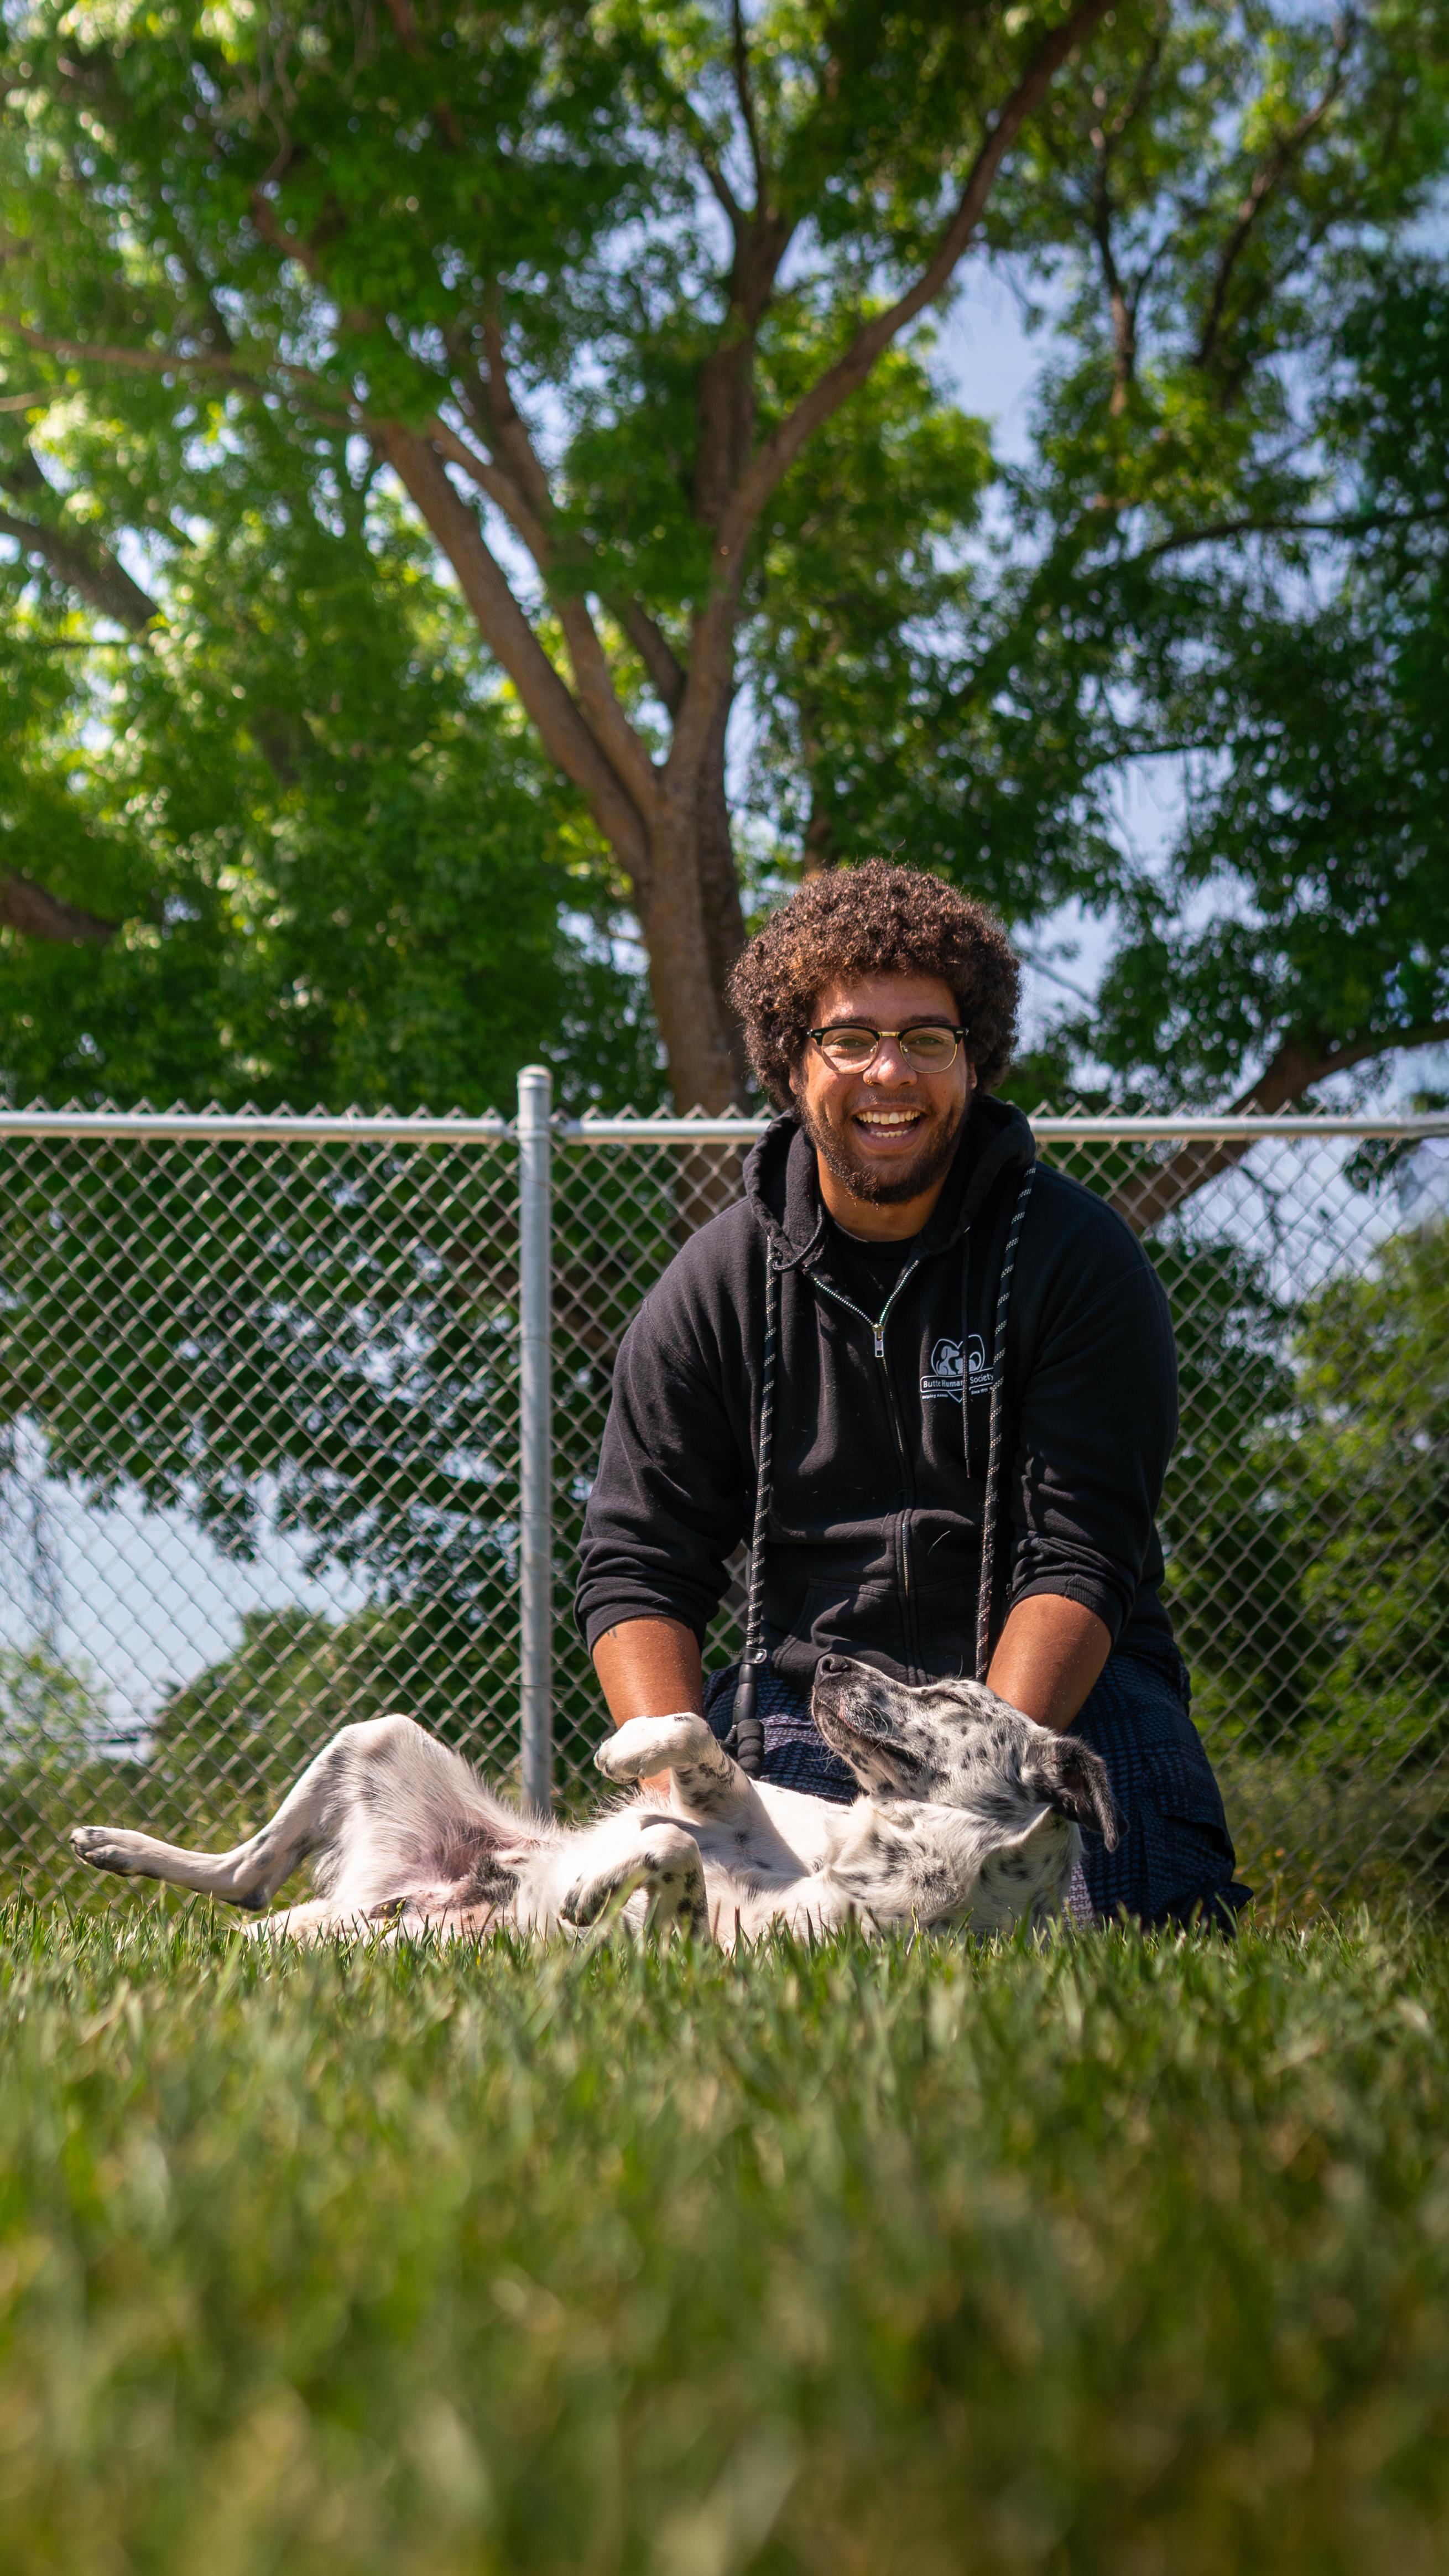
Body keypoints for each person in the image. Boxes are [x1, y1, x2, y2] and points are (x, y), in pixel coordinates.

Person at [575, 862, 1248, 1929]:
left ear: (973, 1061)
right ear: (792, 1061)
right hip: (819, 1703)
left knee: (1116, 1931)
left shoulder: (1078, 1260)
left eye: (927, 1039)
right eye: (850, 1038)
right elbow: (637, 1562)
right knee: (757, 1957)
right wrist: (675, 1801)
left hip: (1055, 1701)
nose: (890, 1071)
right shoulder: (711, 1287)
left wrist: (976, 1795)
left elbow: (1080, 1553)